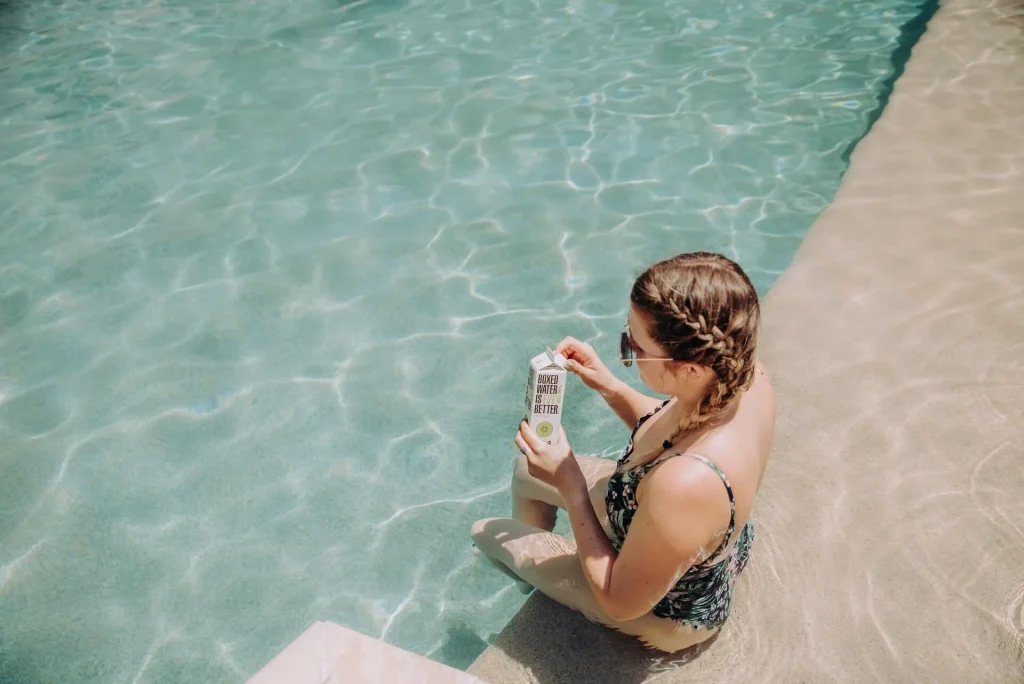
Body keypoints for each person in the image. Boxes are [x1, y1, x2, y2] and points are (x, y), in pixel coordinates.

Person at [470, 251, 776, 652]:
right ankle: (554, 574)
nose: (626, 352)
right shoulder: (744, 374)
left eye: (636, 347)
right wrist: (609, 386)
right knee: (527, 470)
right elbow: (674, 431)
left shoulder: (686, 483)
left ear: (690, 370)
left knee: (488, 533)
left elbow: (620, 603)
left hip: (664, 609)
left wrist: (571, 487)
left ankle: (545, 590)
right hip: (681, 530)